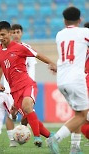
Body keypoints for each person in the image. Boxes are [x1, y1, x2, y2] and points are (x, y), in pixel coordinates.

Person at [0, 21, 57, 147]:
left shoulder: (21, 47)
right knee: (28, 116)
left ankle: (37, 138)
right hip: (14, 91)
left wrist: (52, 63)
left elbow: (37, 55)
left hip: (27, 84)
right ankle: (51, 136)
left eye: (3, 34)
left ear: (9, 33)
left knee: (27, 106)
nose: (1, 37)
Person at [46, 7, 89, 154]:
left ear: (64, 20)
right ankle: (55, 139)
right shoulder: (85, 33)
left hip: (62, 79)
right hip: (76, 79)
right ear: (80, 20)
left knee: (79, 114)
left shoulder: (59, 35)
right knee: (82, 115)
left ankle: (74, 148)